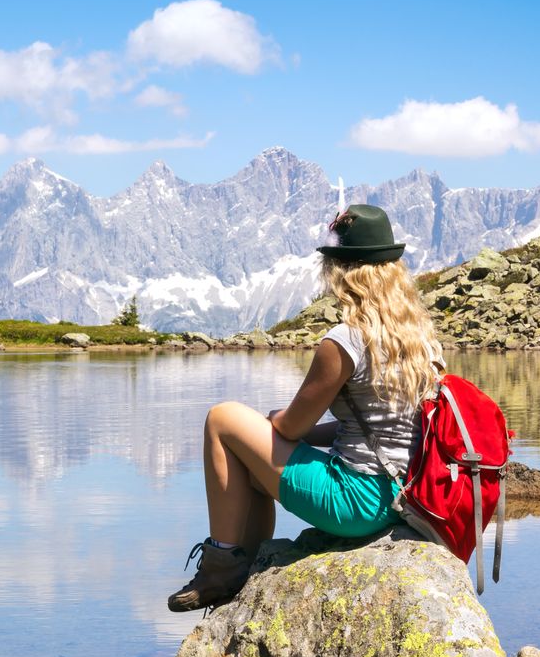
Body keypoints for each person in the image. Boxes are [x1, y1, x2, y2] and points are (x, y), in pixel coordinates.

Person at [168, 202, 445, 612]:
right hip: (401, 497)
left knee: (222, 418)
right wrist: (263, 439)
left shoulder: (346, 340)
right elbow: (378, 428)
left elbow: (293, 426)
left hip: (355, 503)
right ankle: (248, 565)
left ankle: (220, 564)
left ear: (342, 273)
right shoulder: (421, 339)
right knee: (249, 462)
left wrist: (270, 423)